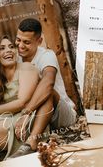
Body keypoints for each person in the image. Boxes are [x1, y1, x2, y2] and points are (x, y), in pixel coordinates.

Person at [0, 35, 54, 162]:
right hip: (3, 118)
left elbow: (22, 103)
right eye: (2, 48)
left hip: (22, 120)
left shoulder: (26, 68)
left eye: (11, 47)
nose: (9, 50)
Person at [10, 18, 77, 157]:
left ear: (39, 41)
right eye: (18, 40)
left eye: (26, 42)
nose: (20, 45)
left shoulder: (46, 55)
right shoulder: (16, 58)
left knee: (47, 91)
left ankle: (31, 144)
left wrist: (26, 113)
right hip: (37, 114)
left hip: (61, 115)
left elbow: (48, 83)